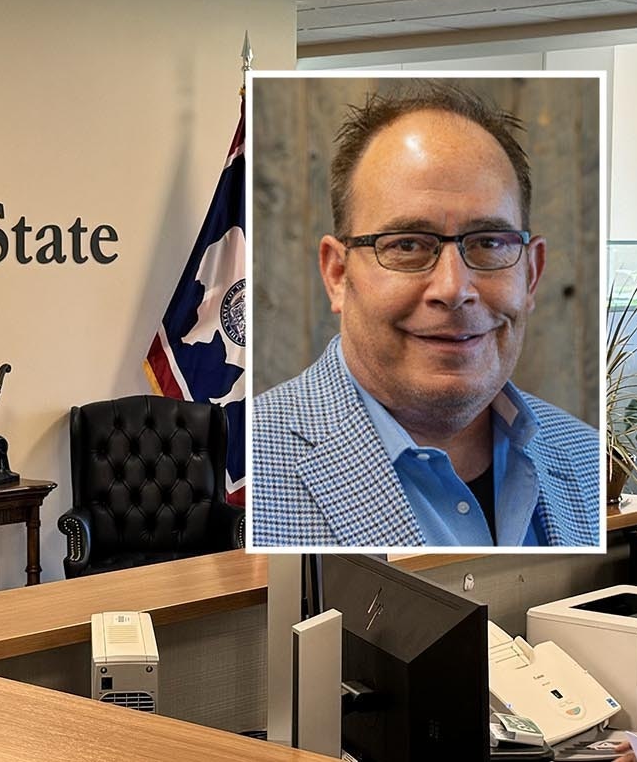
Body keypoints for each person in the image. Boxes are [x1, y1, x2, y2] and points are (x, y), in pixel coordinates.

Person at [250, 83, 599, 548]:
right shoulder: (243, 472)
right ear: (337, 274)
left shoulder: (588, 459)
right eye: (408, 245)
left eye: (489, 243)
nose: (454, 289)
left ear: (531, 274)